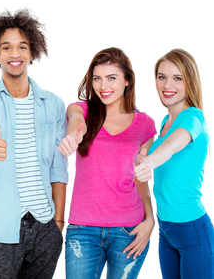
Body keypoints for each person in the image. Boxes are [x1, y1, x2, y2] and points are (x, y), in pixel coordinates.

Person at [0, 9, 67, 278]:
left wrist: (58, 223)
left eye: (22, 47)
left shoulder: (54, 104)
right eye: (6, 47)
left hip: (46, 225)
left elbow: (59, 168)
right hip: (2, 229)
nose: (15, 54)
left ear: (32, 53)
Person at [59, 48, 155, 279]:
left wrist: (150, 220)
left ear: (127, 81)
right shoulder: (81, 110)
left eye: (112, 78)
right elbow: (75, 120)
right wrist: (74, 135)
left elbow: (140, 180)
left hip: (129, 230)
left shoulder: (144, 124)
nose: (103, 86)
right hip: (83, 231)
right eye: (97, 78)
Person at [134, 49, 214, 278]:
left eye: (177, 78)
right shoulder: (165, 122)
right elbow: (162, 145)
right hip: (167, 230)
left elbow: (172, 147)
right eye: (162, 77)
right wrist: (143, 153)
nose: (168, 85)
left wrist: (148, 162)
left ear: (189, 81)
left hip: (193, 231)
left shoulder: (193, 118)